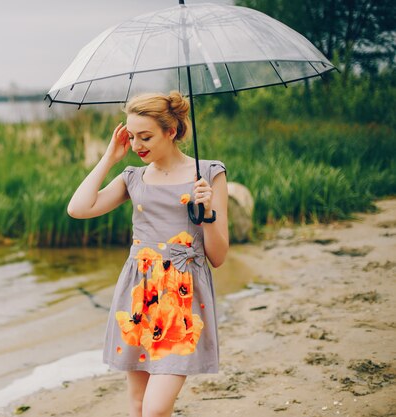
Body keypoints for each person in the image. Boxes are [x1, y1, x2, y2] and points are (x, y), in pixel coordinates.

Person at [67, 90, 229, 417]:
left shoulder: (209, 174)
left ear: (172, 131)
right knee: (138, 406)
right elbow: (78, 208)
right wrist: (110, 157)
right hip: (138, 295)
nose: (138, 145)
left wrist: (208, 210)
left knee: (155, 409)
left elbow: (218, 255)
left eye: (146, 136)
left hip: (182, 299)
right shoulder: (133, 177)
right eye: (131, 136)